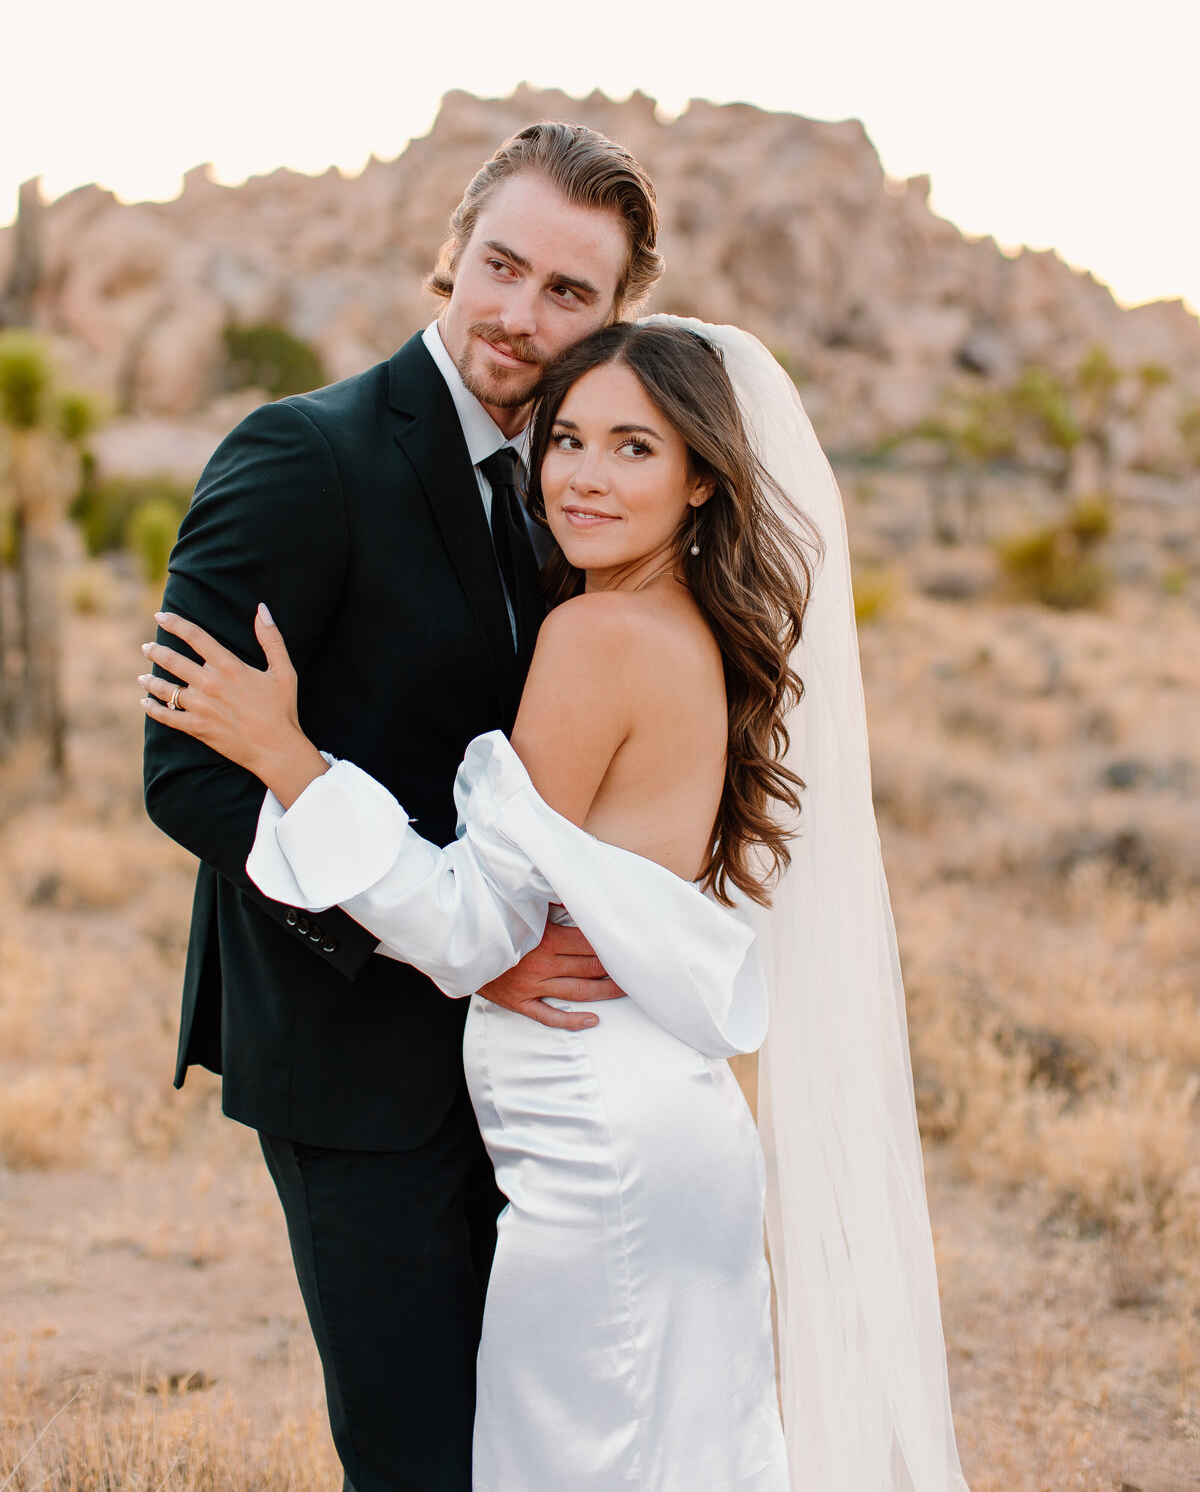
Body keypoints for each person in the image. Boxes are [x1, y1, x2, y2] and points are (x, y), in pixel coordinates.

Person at [141, 321, 973, 1490]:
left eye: (635, 447)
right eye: (568, 437)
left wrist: (291, 762)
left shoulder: (593, 636)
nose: (583, 475)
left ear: (700, 480)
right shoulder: (699, 632)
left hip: (595, 1142)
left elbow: (476, 927)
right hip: (668, 1120)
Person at [141, 122, 664, 1492]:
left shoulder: (586, 488)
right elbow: (187, 768)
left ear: (618, 319)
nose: (520, 314)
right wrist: (437, 944)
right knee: (419, 1457)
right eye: (502, 266)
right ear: (448, 257)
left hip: (541, 1072)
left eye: (570, 294)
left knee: (530, 1445)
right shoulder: (302, 454)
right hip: (353, 1059)